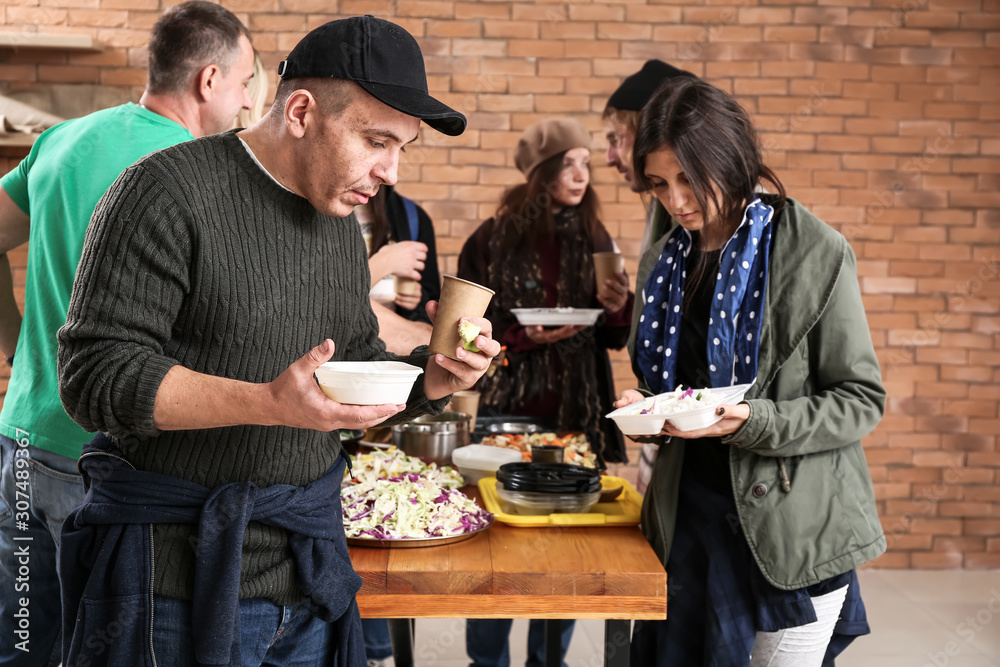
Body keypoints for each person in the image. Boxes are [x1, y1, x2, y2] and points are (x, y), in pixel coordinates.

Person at [55, 15, 496, 667]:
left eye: (403, 147)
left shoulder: (341, 227)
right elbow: (94, 378)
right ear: (300, 111)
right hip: (174, 587)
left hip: (307, 574)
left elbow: (353, 365)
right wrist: (266, 401)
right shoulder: (163, 191)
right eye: (377, 140)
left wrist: (433, 378)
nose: (391, 170)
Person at [0, 3, 255, 665]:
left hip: (25, 437)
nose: (249, 99)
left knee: (25, 640)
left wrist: (13, 343)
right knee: (116, 650)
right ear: (209, 80)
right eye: (246, 81)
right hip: (120, 461)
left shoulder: (63, 139)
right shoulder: (201, 173)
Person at [614, 77, 886, 665]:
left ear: (731, 159)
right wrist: (647, 407)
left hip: (792, 529)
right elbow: (669, 380)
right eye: (659, 185)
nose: (676, 201)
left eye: (689, 178)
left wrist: (752, 421)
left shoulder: (814, 250)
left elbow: (861, 399)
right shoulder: (666, 258)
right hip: (691, 521)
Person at [459, 118, 633, 667]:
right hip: (508, 412)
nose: (582, 174)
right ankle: (488, 662)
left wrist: (618, 304)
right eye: (568, 163)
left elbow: (615, 337)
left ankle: (547, 662)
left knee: (565, 553)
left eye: (586, 162)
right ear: (540, 172)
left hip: (577, 414)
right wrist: (519, 336)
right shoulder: (492, 238)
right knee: (496, 548)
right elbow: (463, 329)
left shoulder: (598, 239)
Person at [601, 58, 695, 495]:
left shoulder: (693, 214)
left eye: (617, 139)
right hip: (671, 443)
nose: (610, 157)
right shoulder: (663, 208)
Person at [362, 183, 441, 354]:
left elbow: (433, 300)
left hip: (394, 356)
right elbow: (319, 297)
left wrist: (417, 300)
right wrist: (383, 263)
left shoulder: (412, 216)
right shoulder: (320, 211)